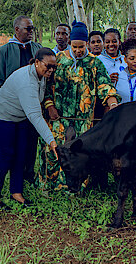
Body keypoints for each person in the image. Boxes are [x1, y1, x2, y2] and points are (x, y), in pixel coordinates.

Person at [41, 21, 118, 190]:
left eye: (81, 47)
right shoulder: (58, 60)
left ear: (87, 44)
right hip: (58, 117)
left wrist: (112, 103)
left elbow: (104, 86)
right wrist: (49, 106)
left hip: (83, 120)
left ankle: (77, 187)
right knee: (55, 150)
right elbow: (46, 87)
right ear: (70, 43)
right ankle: (52, 186)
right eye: (74, 47)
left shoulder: (95, 63)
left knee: (80, 153)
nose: (78, 50)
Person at [0, 48, 58, 207]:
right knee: (5, 156)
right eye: (48, 66)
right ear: (37, 62)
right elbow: (35, 116)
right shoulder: (27, 82)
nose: (51, 70)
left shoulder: (40, 74)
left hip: (19, 116)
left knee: (20, 154)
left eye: (54, 67)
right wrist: (51, 141)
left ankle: (16, 193)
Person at [0, 15, 43, 184]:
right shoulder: (4, 51)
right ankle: (15, 177)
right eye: (28, 29)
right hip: (13, 106)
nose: (31, 32)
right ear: (17, 29)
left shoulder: (37, 48)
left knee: (31, 140)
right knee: (14, 142)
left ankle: (29, 173)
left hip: (33, 103)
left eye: (32, 28)